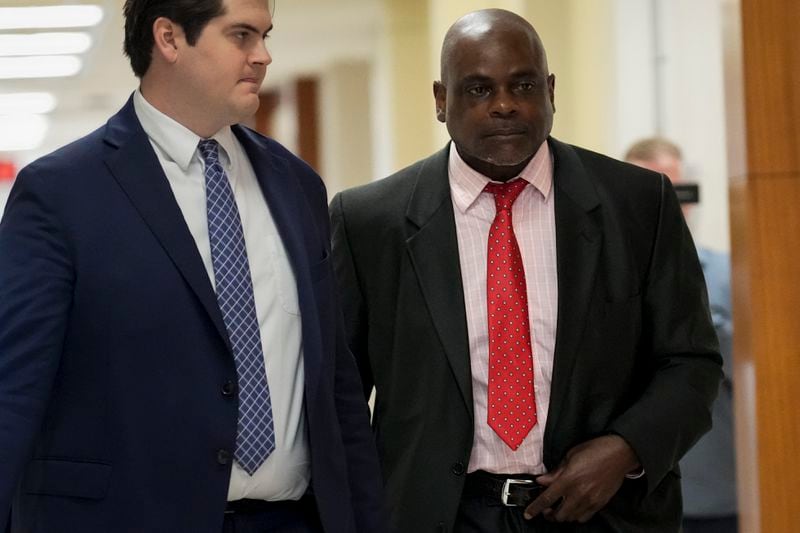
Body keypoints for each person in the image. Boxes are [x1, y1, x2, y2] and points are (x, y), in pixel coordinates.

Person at [330, 8, 722, 533]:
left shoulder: (638, 205)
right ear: (440, 101)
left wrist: (626, 448)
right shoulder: (368, 222)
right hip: (438, 515)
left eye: (523, 84)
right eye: (477, 90)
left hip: (603, 514)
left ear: (551, 91)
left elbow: (691, 363)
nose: (505, 106)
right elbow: (340, 392)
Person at [0, 1, 385, 531]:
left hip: (291, 520)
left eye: (266, 35)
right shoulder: (61, 194)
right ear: (169, 38)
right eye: (242, 36)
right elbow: (12, 389)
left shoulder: (296, 186)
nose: (264, 56)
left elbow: (336, 384)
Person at [626, 138, 737, 533]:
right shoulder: (608, 276)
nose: (669, 205)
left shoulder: (729, 274)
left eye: (677, 191)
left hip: (715, 490)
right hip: (630, 491)